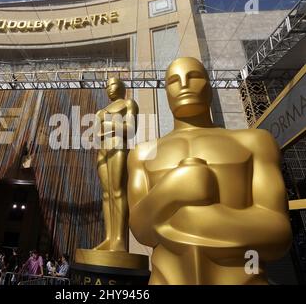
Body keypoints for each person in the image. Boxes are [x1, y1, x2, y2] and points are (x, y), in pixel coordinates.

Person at [127, 57, 292, 284]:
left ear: (209, 86)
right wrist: (171, 189)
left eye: (194, 76)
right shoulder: (142, 154)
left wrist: (199, 219)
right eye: (174, 81)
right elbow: (141, 230)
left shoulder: (253, 142)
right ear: (165, 93)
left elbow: (278, 234)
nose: (184, 84)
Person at [93, 77, 138, 251]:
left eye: (112, 85)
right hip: (103, 151)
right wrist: (115, 124)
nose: (109, 88)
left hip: (118, 146)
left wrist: (108, 124)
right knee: (106, 194)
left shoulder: (128, 104)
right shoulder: (100, 111)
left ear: (121, 86)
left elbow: (131, 129)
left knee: (118, 191)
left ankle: (119, 239)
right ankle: (108, 238)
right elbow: (96, 136)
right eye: (107, 86)